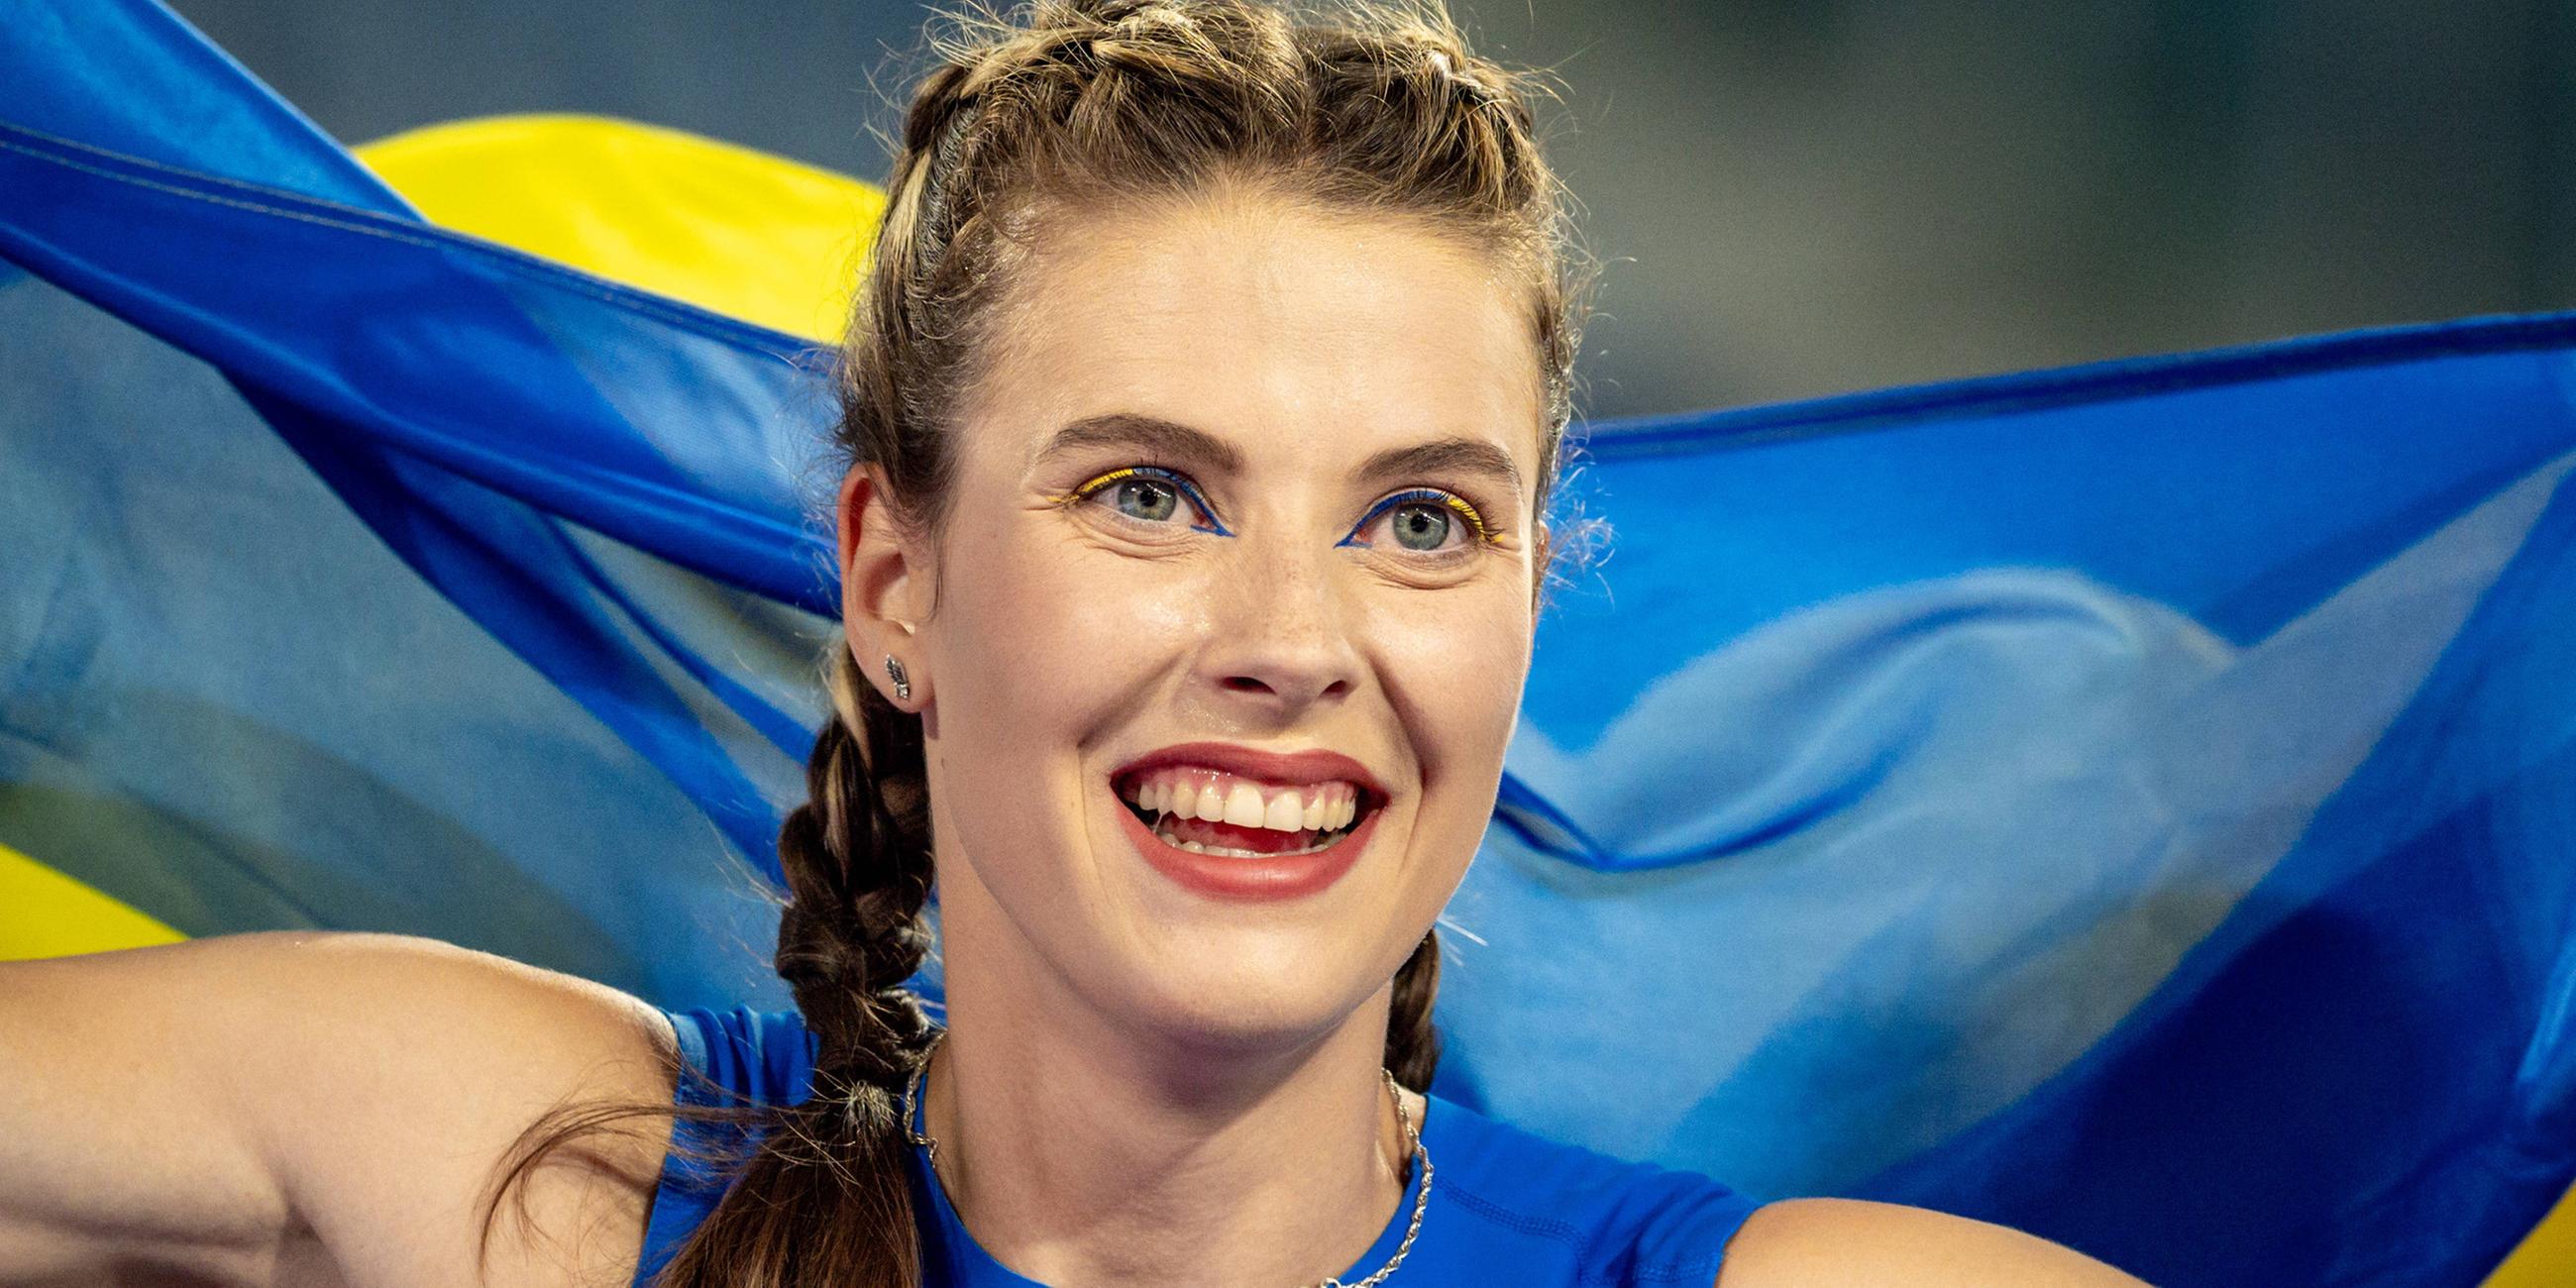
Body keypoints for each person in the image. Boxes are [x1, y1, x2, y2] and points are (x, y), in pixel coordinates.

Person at [0, 1, 2152, 1283]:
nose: (1291, 640)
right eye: (1149, 493)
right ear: (893, 582)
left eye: (1418, 519)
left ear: (1526, 597)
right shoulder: (529, 1187)